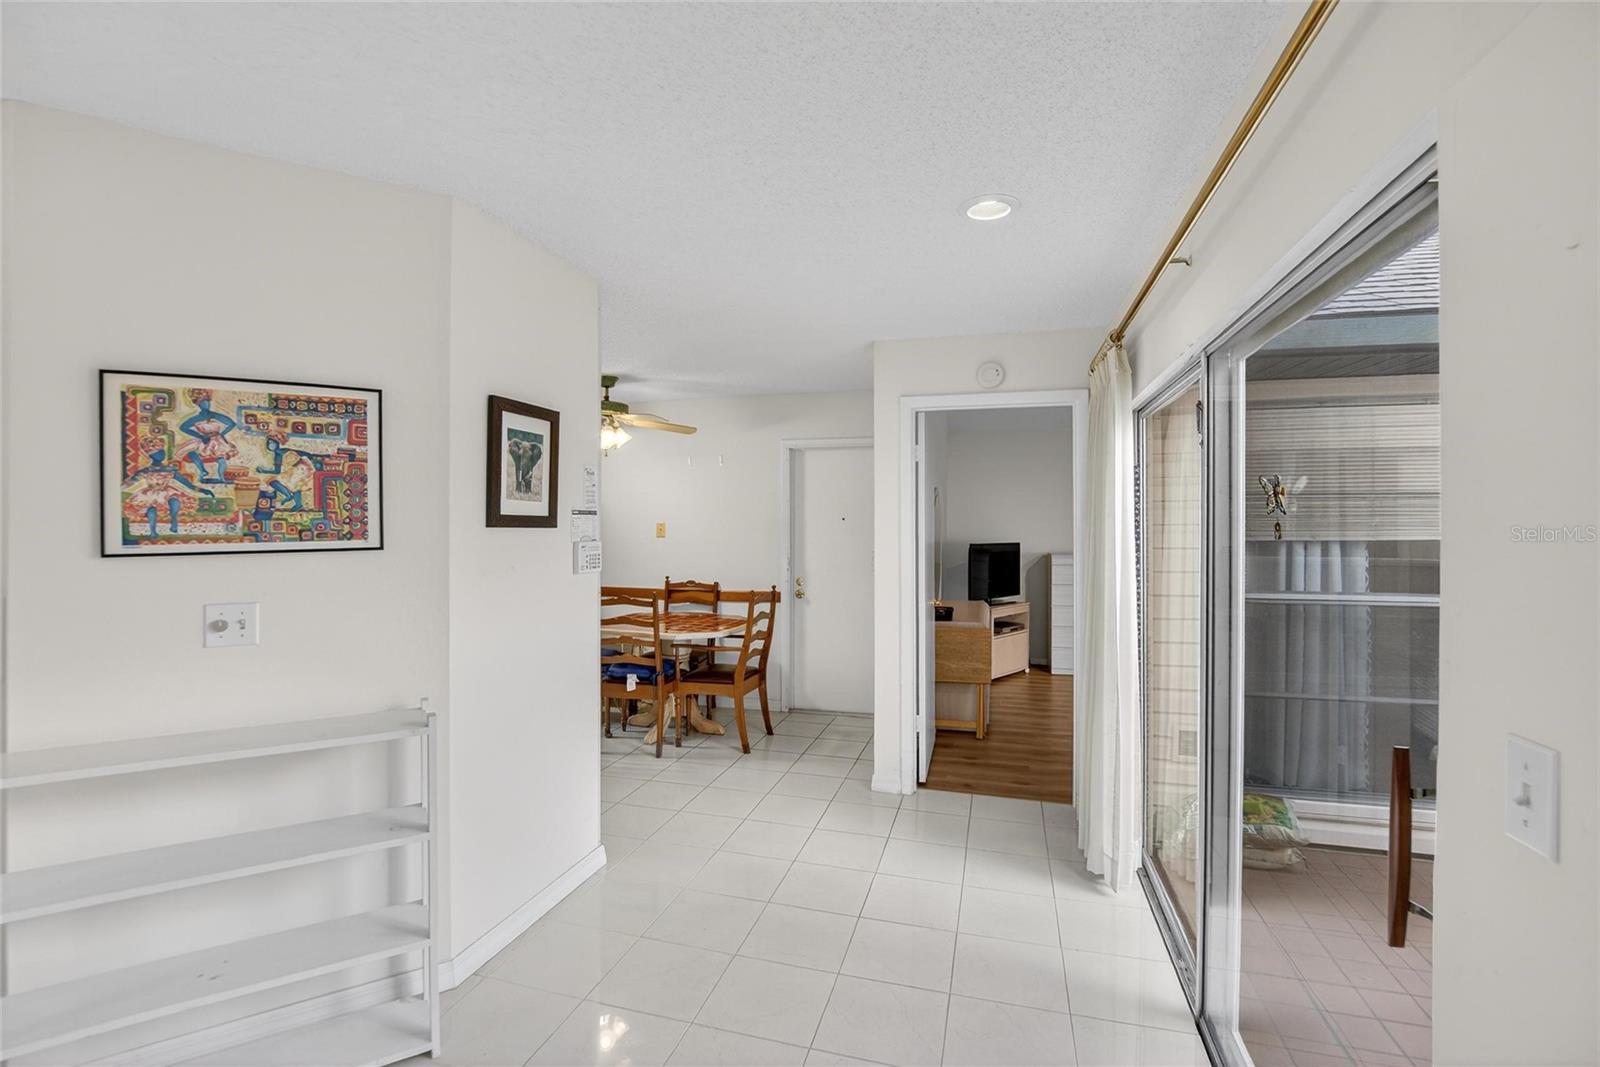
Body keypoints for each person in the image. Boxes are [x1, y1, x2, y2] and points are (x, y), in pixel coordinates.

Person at [124, 435, 214, 537]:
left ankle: (173, 519)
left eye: (162, 451)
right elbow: (130, 482)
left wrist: (202, 490)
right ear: (151, 455)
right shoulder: (146, 470)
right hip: (150, 493)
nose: (162, 454)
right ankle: (153, 531)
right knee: (151, 508)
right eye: (158, 452)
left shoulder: (170, 469)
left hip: (166, 491)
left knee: (175, 500)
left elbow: (186, 483)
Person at [179, 389, 239, 483]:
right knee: (191, 453)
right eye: (203, 401)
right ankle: (203, 472)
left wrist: (221, 434)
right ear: (198, 404)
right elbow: (183, 427)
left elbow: (232, 424)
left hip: (217, 441)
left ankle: (222, 478)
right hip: (204, 440)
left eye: (207, 401)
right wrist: (200, 436)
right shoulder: (196, 418)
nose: (206, 403)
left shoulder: (216, 416)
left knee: (221, 459)